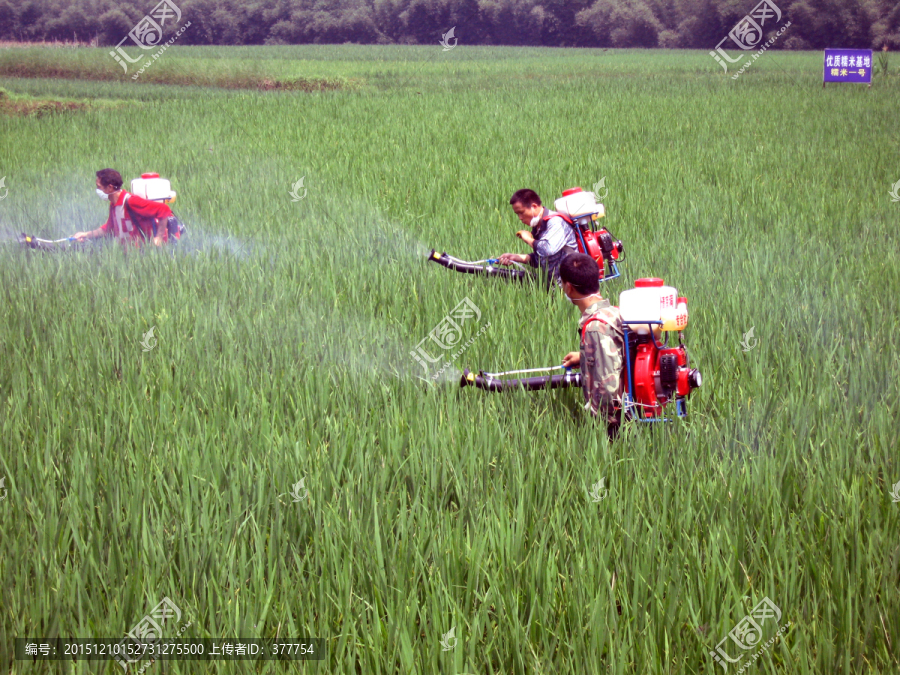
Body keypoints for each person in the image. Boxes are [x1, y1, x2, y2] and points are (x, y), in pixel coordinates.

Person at [559, 253, 625, 439]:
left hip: (616, 428)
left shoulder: (596, 328)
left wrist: (597, 426)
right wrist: (584, 356)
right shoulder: (615, 313)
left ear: (569, 287)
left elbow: (608, 388)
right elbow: (620, 353)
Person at [73, 169, 177, 247]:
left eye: (99, 187)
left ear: (109, 187)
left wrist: (158, 238)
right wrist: (86, 235)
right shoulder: (114, 205)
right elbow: (108, 229)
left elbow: (164, 209)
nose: (97, 190)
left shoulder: (131, 201)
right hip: (126, 255)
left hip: (141, 254)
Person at [496, 188, 577, 287]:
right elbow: (541, 259)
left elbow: (547, 249)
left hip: (572, 284)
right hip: (557, 285)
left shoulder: (556, 222)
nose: (520, 218)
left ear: (534, 206)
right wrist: (514, 257)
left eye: (521, 212)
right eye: (517, 214)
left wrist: (527, 238)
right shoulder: (539, 226)